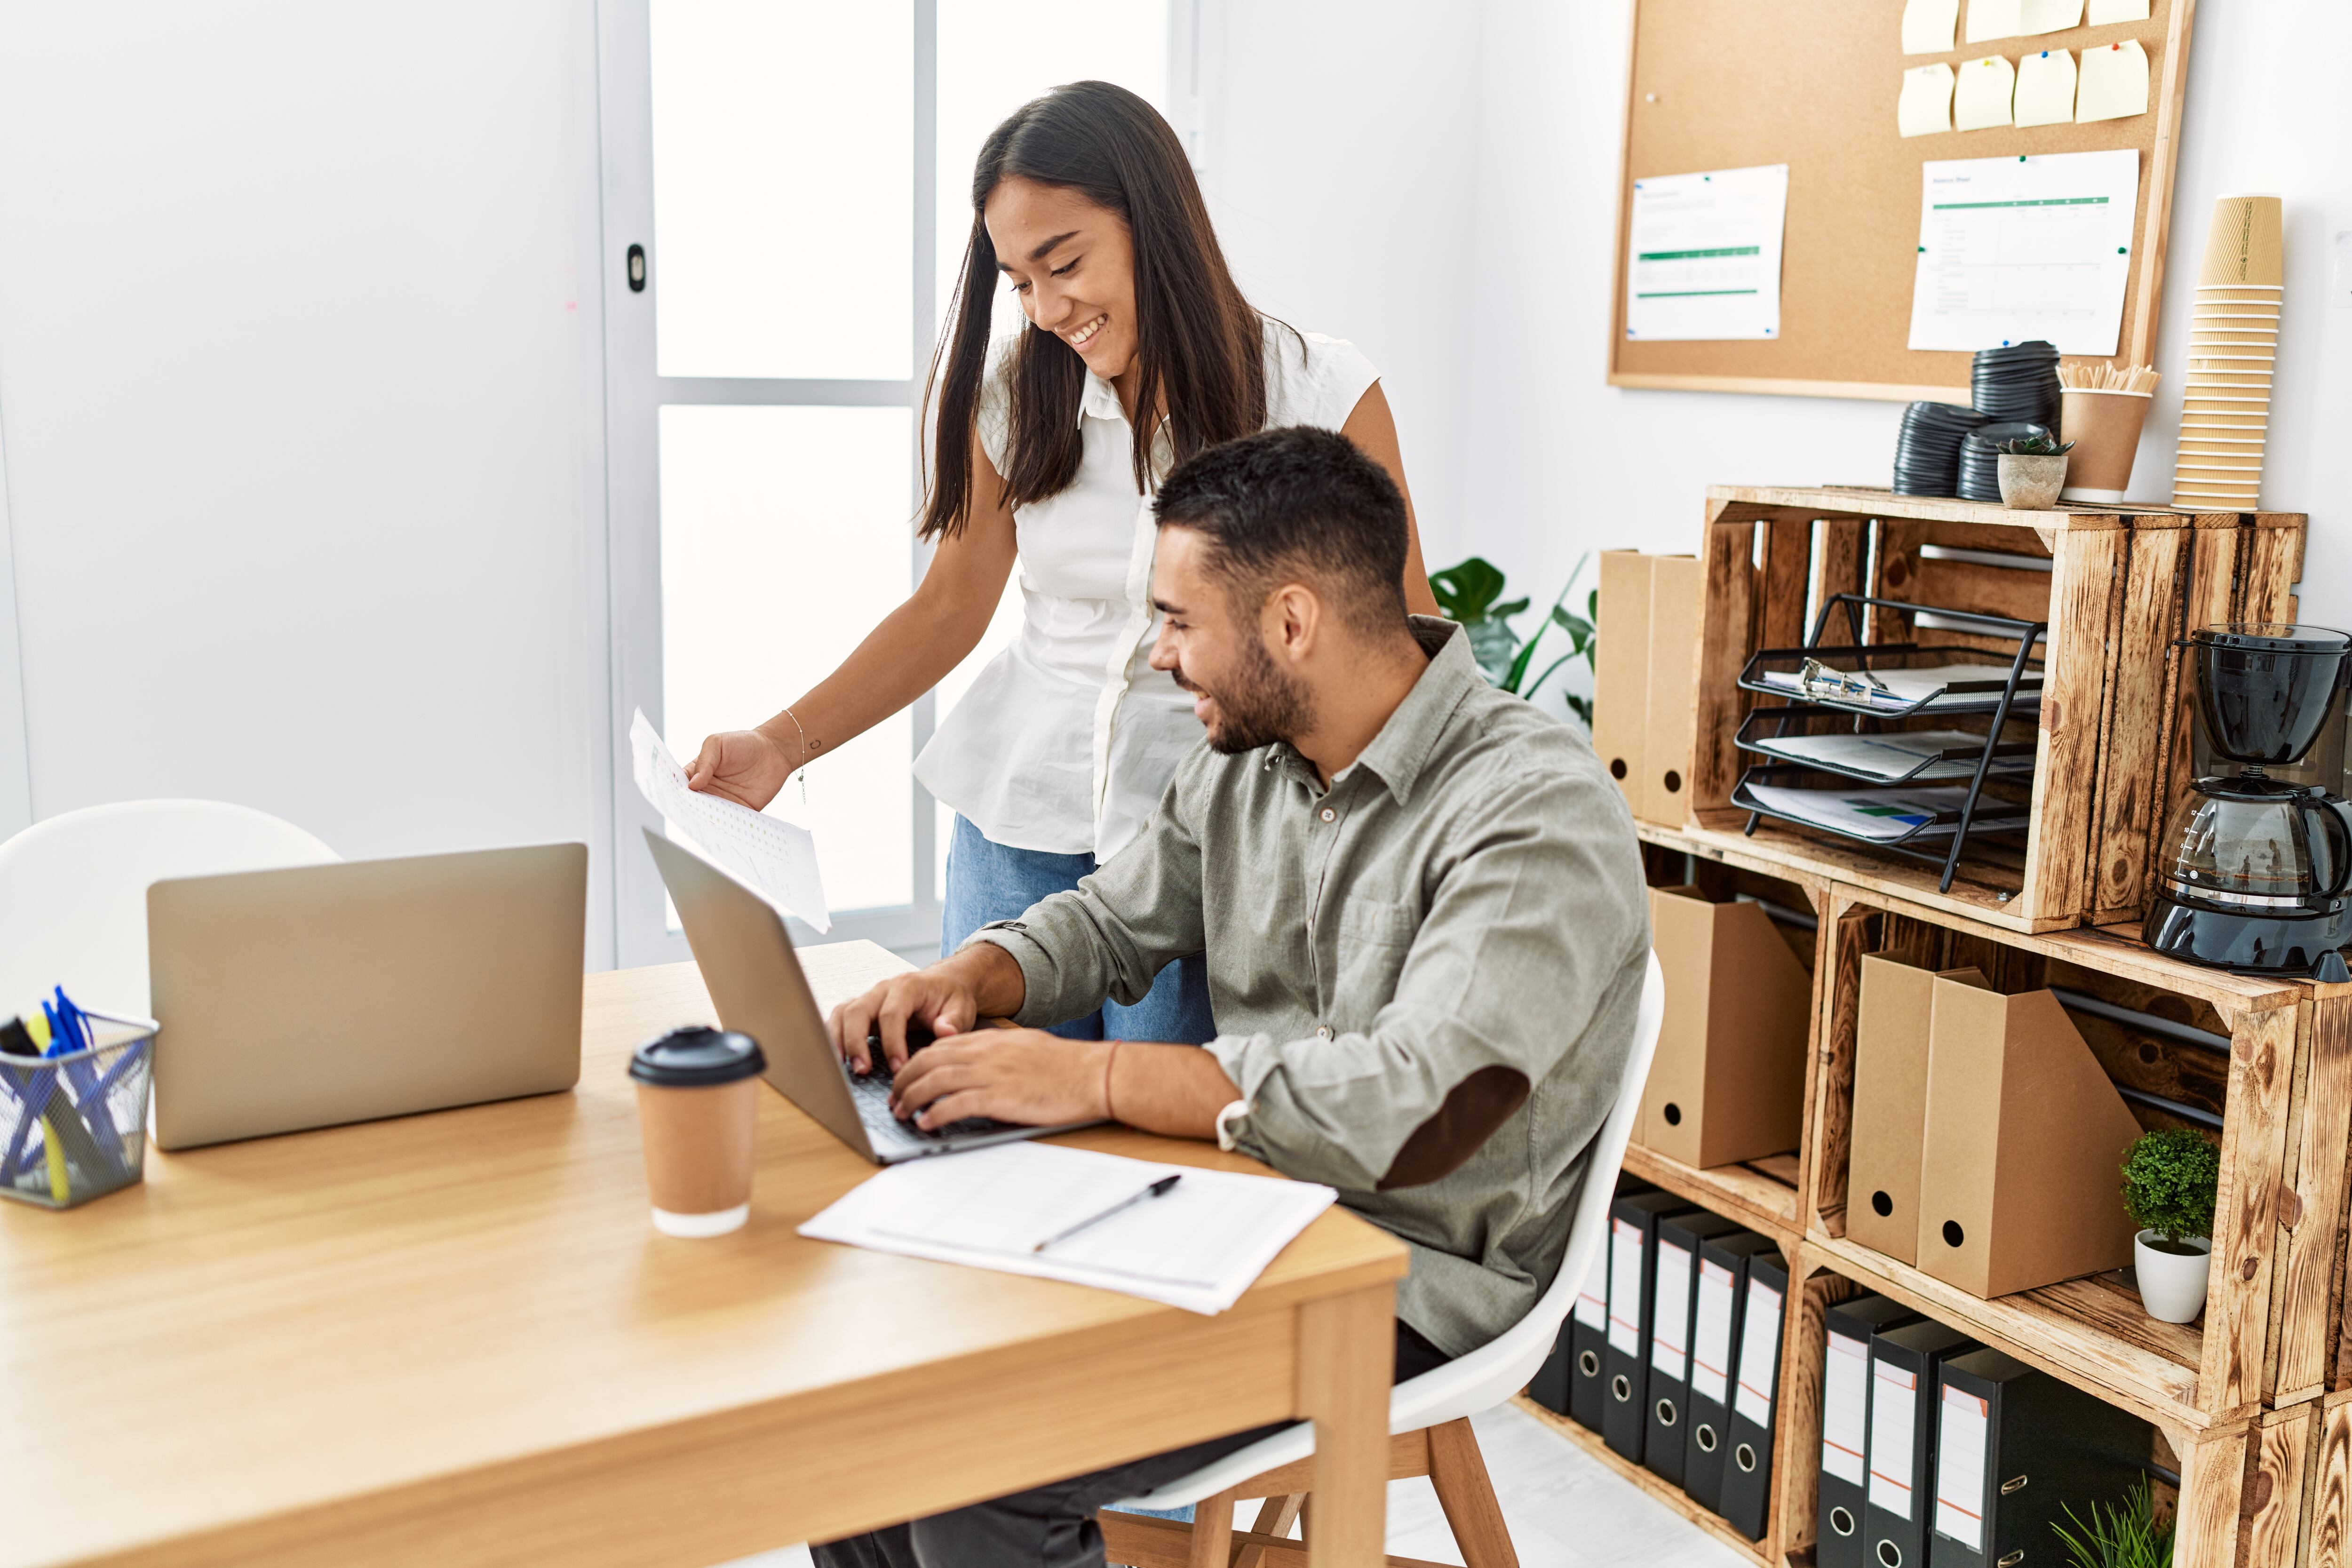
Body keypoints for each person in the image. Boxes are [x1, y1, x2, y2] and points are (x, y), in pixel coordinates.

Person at [811, 427, 1649, 1568]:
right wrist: (966, 975)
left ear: (1290, 621)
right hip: (1234, 1204)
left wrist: (1094, 1074)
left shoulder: (1531, 811)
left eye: (1174, 618)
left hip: (1403, 1270)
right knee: (867, 1402)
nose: (1156, 654)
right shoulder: (1248, 759)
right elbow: (1115, 918)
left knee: (981, 1472)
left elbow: (1426, 1106)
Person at [684, 81, 1439, 1049]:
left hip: (1216, 844)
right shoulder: (1014, 397)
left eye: (1063, 263)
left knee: (1164, 1154)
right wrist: (781, 744)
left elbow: (1401, 634)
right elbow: (949, 605)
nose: (1045, 309)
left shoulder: (1318, 387)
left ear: (1153, 220)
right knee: (983, 1121)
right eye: (1019, 280)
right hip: (1022, 824)